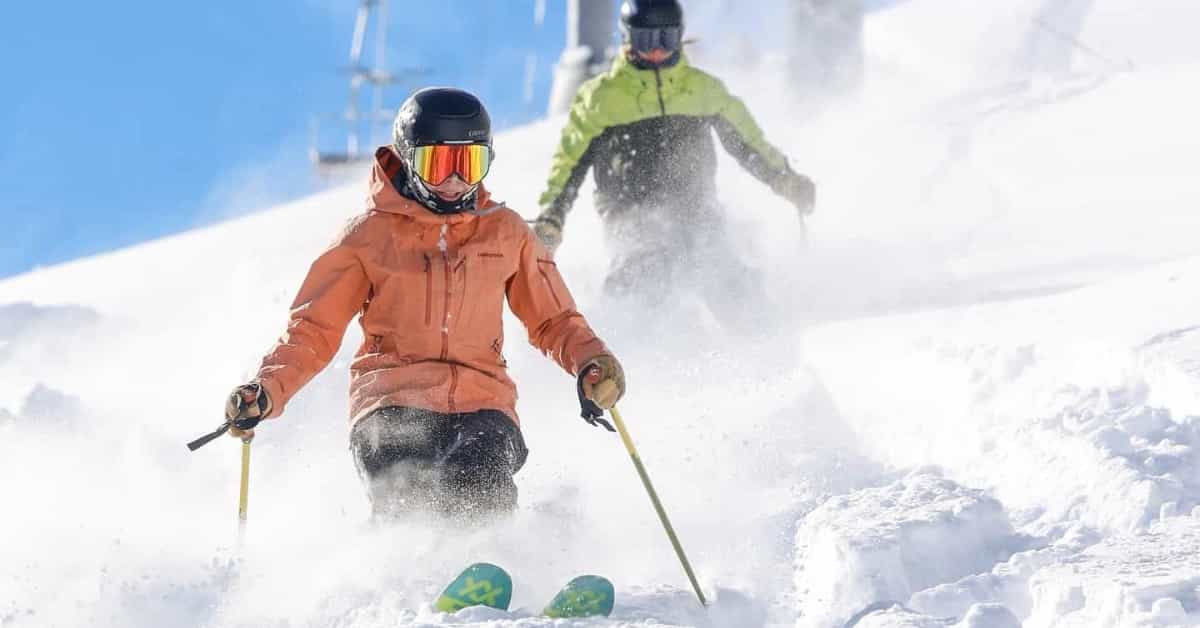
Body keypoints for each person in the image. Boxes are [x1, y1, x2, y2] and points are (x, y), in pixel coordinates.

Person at [222, 88, 626, 522]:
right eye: (437, 165)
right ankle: (403, 577)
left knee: (481, 491)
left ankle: (487, 573)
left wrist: (590, 360)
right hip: (392, 402)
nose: (454, 181)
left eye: (468, 165)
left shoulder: (505, 233)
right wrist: (267, 389)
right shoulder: (367, 237)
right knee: (408, 495)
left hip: (483, 403)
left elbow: (555, 318)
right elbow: (313, 330)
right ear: (409, 161)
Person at [533, 0, 816, 328]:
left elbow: (748, 143)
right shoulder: (602, 99)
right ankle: (629, 351)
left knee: (722, 269)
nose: (656, 51)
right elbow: (568, 164)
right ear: (628, 39)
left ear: (680, 38)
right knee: (646, 271)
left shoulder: (702, 90)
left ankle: (767, 348)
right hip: (631, 214)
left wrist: (784, 179)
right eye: (645, 41)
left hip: (696, 207)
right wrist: (552, 216)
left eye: (665, 39)